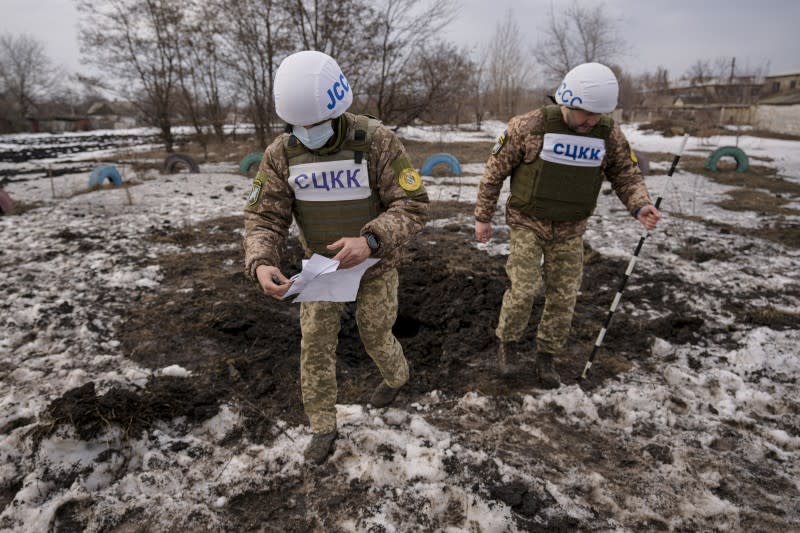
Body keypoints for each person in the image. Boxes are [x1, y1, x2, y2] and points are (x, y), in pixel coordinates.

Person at [243, 51, 428, 464]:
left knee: (374, 332)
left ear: (337, 107)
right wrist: (262, 260)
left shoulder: (376, 142)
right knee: (315, 345)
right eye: (299, 125)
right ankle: (322, 427)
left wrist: (372, 240)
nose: (307, 132)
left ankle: (397, 376)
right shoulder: (282, 154)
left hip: (375, 263)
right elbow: (263, 216)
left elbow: (413, 205)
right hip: (321, 268)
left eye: (315, 124)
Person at [474, 62, 661, 389]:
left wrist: (640, 205)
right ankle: (509, 345)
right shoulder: (528, 127)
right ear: (568, 100)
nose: (592, 120)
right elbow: (493, 174)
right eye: (586, 113)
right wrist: (482, 217)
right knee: (524, 288)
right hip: (527, 222)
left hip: (571, 229)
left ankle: (547, 355)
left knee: (563, 296)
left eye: (598, 115)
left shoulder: (607, 133)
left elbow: (626, 174)